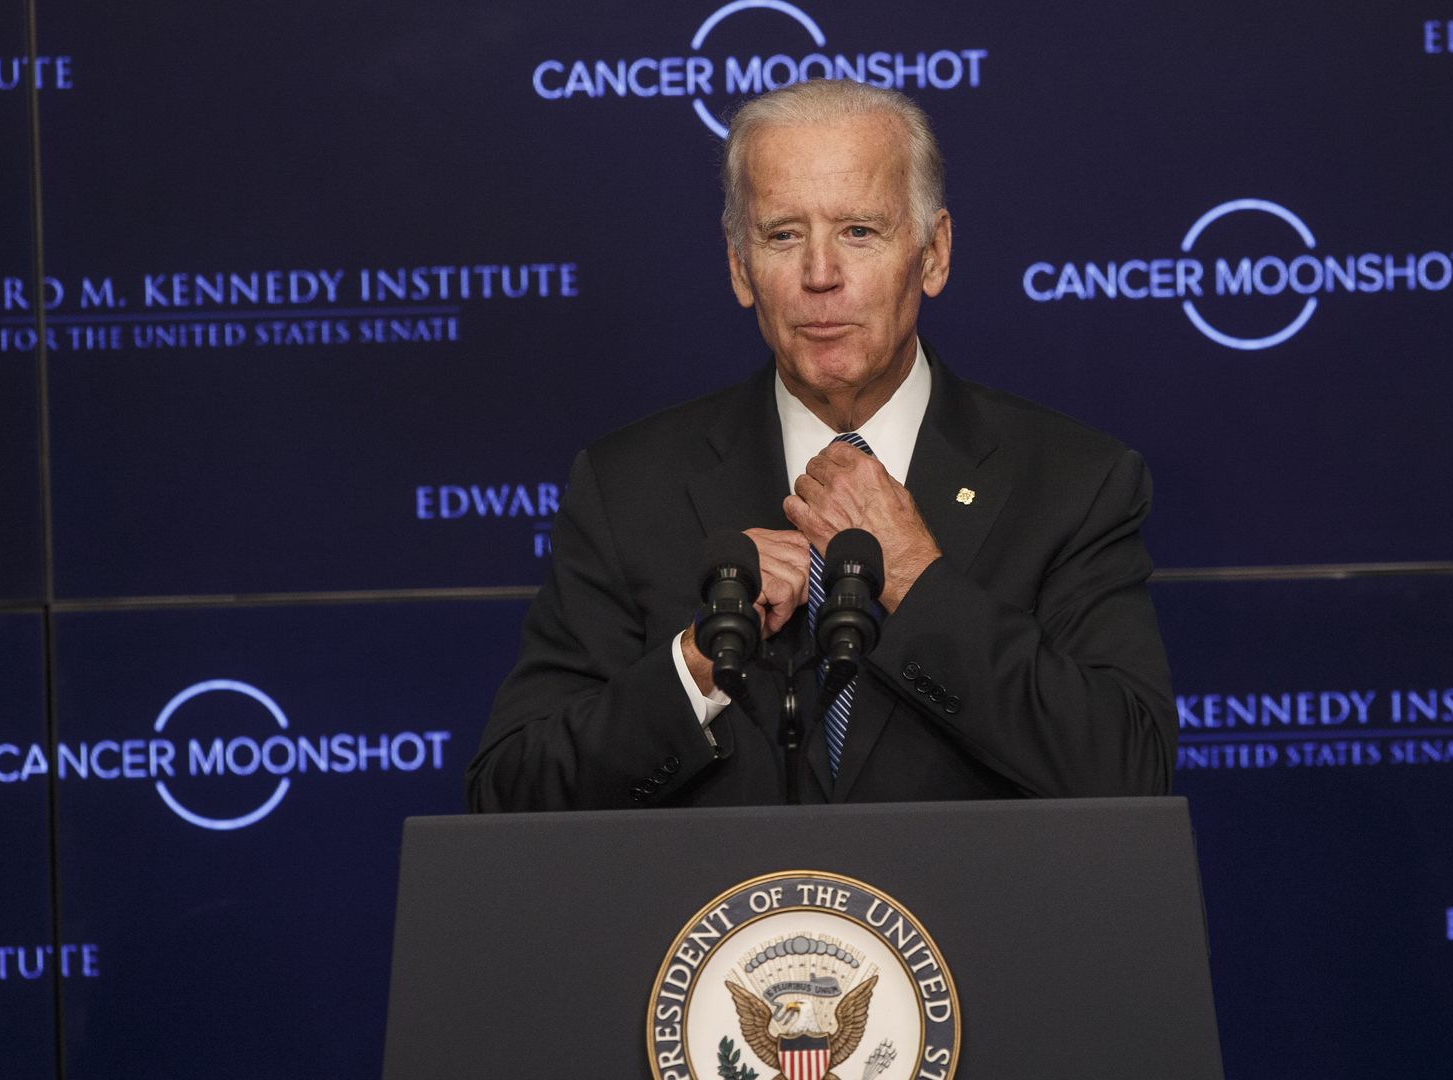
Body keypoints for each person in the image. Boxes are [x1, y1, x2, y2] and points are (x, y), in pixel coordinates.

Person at [466, 80, 1173, 811]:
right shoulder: (629, 487)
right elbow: (511, 796)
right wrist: (697, 665)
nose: (820, 275)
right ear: (741, 267)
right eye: (783, 235)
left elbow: (1127, 770)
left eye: (859, 232)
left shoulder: (1072, 481)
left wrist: (918, 582)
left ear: (933, 254)